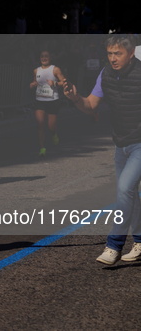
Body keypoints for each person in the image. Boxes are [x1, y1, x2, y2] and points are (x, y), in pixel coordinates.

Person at [63, 34, 141, 265]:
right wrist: (75, 98)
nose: (113, 58)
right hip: (121, 144)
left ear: (131, 54)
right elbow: (90, 106)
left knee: (124, 189)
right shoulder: (105, 74)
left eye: (118, 54)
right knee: (131, 196)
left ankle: (113, 246)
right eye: (109, 54)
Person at [29, 50, 67, 157]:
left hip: (52, 100)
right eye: (42, 56)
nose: (44, 58)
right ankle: (42, 148)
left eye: (46, 56)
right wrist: (32, 84)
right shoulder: (36, 71)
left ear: (50, 58)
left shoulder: (55, 69)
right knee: (40, 124)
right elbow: (34, 82)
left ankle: (54, 134)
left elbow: (64, 82)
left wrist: (55, 83)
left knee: (51, 126)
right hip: (39, 100)